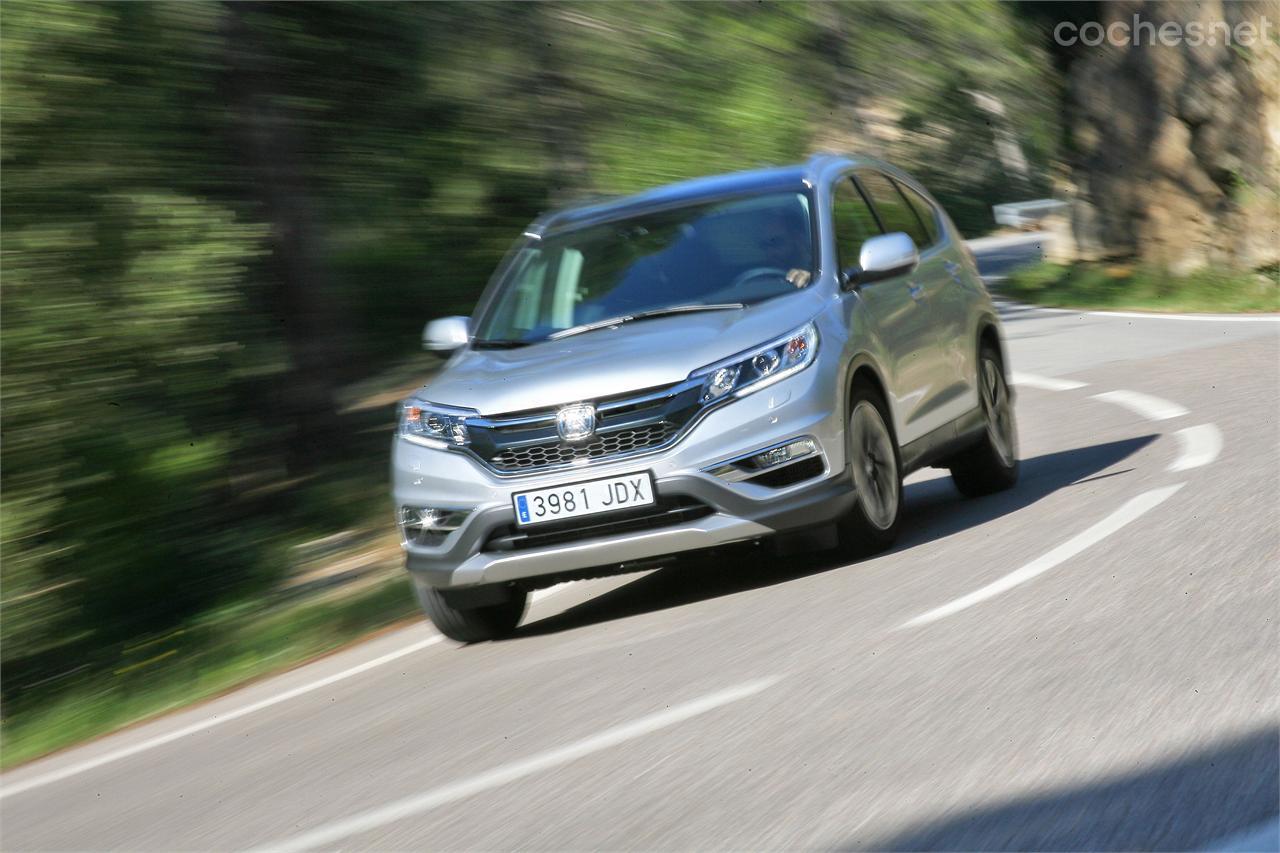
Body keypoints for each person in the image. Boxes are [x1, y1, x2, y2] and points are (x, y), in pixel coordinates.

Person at [758, 209, 812, 288]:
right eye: (765, 245)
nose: (771, 252)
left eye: (777, 243)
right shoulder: (761, 277)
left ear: (798, 239)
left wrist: (808, 281)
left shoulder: (820, 267)